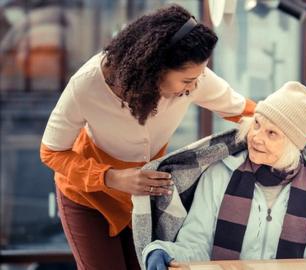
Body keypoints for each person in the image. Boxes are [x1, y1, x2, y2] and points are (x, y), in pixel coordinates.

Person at [39, 4, 255, 270]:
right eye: (187, 80)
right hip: (88, 197)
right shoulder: (87, 85)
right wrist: (112, 177)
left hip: (140, 200)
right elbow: (51, 152)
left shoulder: (194, 79)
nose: (195, 86)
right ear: (154, 68)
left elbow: (246, 112)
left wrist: (302, 136)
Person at [142, 81, 306, 270]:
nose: (256, 137)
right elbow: (195, 246)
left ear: (292, 144)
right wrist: (161, 250)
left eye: (272, 133)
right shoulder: (218, 176)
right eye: (256, 124)